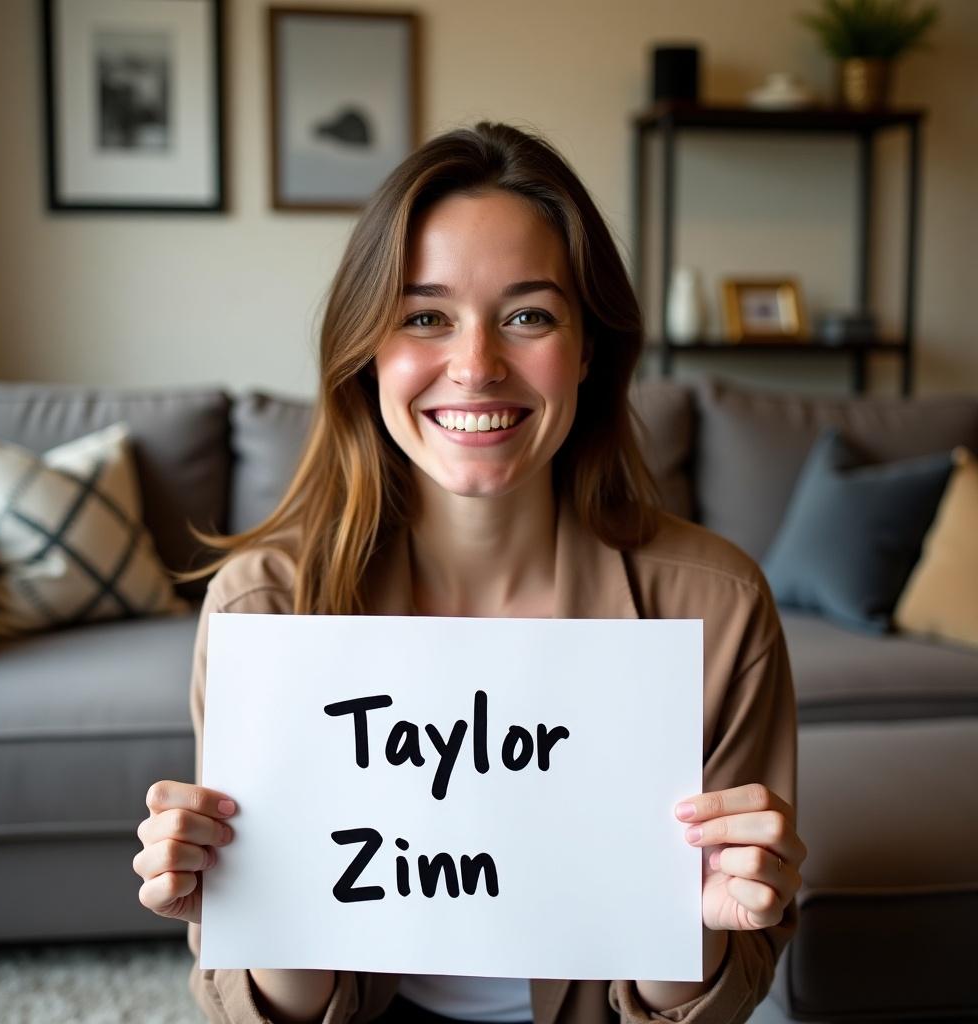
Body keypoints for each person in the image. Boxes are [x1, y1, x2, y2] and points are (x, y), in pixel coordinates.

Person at [133, 121, 806, 1024]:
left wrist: (696, 932)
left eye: (529, 315)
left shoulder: (716, 610)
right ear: (367, 349)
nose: (477, 366)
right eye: (425, 317)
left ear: (590, 348)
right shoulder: (266, 609)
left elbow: (707, 999)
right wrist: (251, 922)